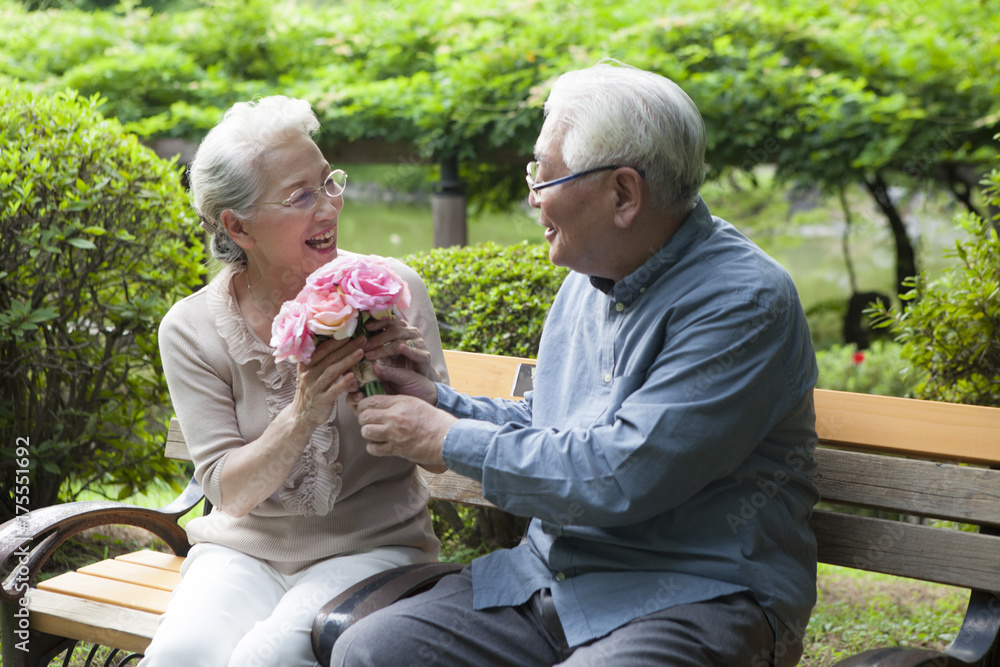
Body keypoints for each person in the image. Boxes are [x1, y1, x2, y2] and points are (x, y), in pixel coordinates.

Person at [335, 62, 819, 667]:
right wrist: (436, 401)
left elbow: (621, 475)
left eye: (545, 175)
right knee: (371, 650)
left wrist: (449, 439)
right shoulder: (588, 279)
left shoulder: (742, 303)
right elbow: (551, 422)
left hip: (698, 595)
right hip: (550, 583)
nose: (532, 196)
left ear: (623, 194)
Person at [140, 95, 448, 667]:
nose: (330, 206)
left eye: (329, 182)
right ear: (238, 225)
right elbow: (228, 493)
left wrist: (413, 395)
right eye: (301, 195)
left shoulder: (387, 291)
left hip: (376, 548)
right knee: (177, 657)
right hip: (243, 552)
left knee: (270, 658)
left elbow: (439, 459)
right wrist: (303, 413)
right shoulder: (191, 328)